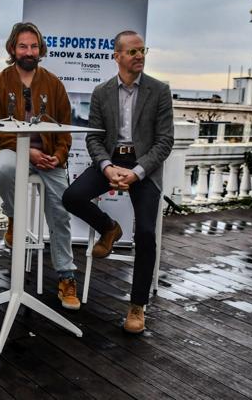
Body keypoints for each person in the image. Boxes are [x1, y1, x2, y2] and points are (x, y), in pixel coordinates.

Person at [62, 30, 174, 333]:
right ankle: (109, 228)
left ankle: (137, 306)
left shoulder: (159, 91)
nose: (139, 56)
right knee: (71, 196)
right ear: (117, 56)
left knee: (148, 233)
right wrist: (108, 168)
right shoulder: (101, 92)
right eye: (132, 52)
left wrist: (136, 172)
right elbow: (95, 139)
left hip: (144, 168)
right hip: (111, 162)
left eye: (142, 51)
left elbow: (165, 142)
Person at [0, 22, 80, 310]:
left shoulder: (54, 84)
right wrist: (27, 153)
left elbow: (64, 129)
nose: (29, 51)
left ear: (40, 49)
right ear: (13, 48)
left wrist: (59, 156)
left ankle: (66, 275)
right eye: (23, 46)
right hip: (13, 149)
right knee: (4, 170)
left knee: (61, 209)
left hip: (49, 155)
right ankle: (14, 217)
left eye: (34, 46)